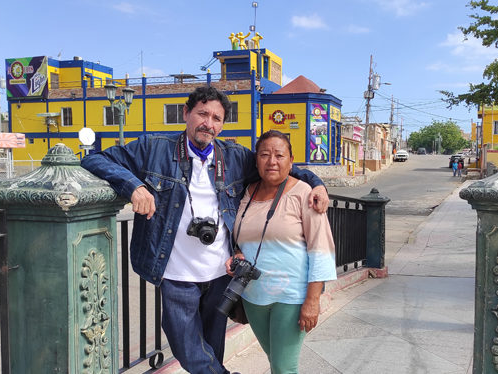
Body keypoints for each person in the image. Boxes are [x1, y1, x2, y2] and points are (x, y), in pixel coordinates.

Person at [80, 87, 329, 374]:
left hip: (221, 274)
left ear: (222, 124)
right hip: (176, 273)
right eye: (202, 114)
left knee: (212, 349)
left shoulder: (234, 157)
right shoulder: (154, 148)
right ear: (186, 113)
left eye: (216, 118)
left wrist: (315, 181)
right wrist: (133, 186)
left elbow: (277, 165)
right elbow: (94, 159)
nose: (208, 123)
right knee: (187, 348)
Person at [226, 130, 337, 374]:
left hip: (291, 296)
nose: (272, 161)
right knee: (276, 363)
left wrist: (312, 300)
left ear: (291, 160)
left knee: (284, 368)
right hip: (253, 296)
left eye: (279, 155)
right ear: (256, 160)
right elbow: (239, 235)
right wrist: (236, 253)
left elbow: (321, 250)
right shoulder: (248, 191)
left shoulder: (305, 193)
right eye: (265, 155)